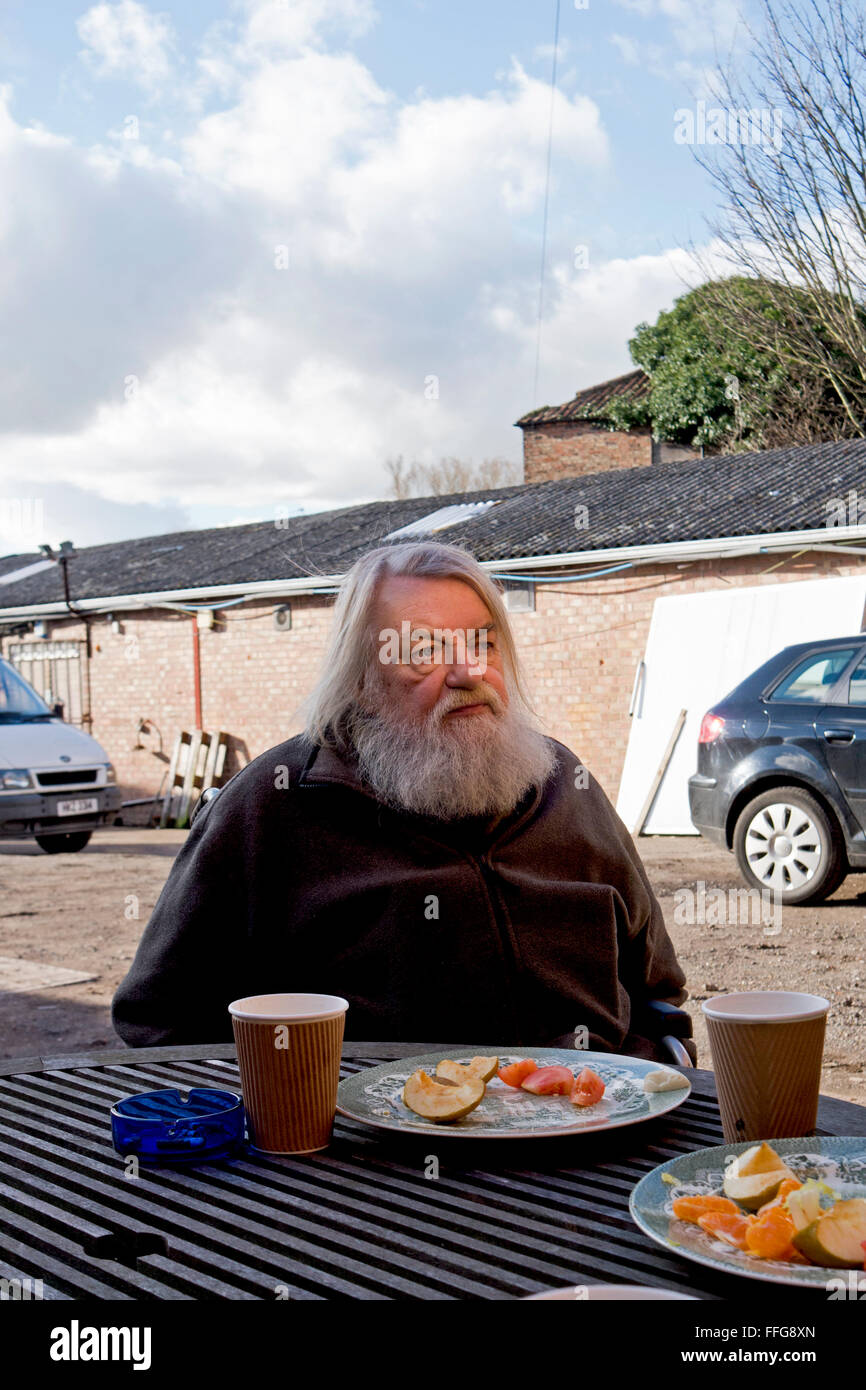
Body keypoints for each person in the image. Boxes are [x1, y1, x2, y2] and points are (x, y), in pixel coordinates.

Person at [112, 539, 695, 1062]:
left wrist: (649, 1068)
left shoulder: (564, 782)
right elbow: (159, 1020)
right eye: (424, 651)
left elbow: (658, 988)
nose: (469, 671)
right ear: (362, 678)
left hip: (596, 1125)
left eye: (482, 642)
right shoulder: (270, 806)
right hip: (374, 1162)